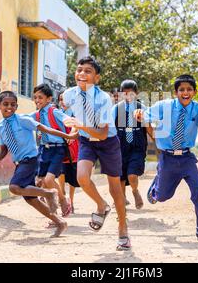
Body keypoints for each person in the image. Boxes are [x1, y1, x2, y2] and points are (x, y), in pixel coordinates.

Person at [134, 74, 198, 243]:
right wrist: (139, 114)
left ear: (195, 92)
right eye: (182, 89)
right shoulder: (164, 106)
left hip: (187, 159)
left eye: (189, 89)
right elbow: (145, 115)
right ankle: (156, 188)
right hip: (167, 159)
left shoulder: (197, 108)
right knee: (163, 197)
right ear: (176, 92)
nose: (185, 92)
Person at [62, 56, 131, 251]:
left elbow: (101, 133)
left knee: (115, 189)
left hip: (107, 143)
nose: (82, 74)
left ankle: (123, 230)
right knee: (82, 177)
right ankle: (101, 206)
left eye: (88, 71)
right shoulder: (70, 94)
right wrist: (74, 132)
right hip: (86, 142)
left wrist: (79, 126)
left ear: (97, 78)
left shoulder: (103, 99)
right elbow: (77, 115)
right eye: (79, 70)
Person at [0, 91, 77, 237]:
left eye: (12, 104)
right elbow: (4, 149)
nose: (9, 107)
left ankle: (49, 193)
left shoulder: (23, 119)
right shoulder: (0, 127)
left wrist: (67, 136)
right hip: (19, 163)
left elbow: (44, 128)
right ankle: (60, 222)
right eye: (5, 104)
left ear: (16, 106)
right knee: (30, 199)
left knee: (14, 187)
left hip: (31, 159)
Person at [30, 84, 73, 220]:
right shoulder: (36, 115)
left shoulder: (54, 112)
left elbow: (69, 121)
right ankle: (53, 215)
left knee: (49, 180)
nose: (37, 100)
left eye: (40, 97)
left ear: (48, 99)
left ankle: (62, 201)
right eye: (35, 97)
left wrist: (71, 133)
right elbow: (23, 119)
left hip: (57, 148)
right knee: (42, 181)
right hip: (43, 149)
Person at [112, 79, 153, 210]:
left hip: (137, 145)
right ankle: (122, 201)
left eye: (131, 94)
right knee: (120, 176)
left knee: (132, 174)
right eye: (125, 93)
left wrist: (159, 144)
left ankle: (135, 191)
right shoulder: (116, 109)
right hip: (120, 145)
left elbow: (149, 128)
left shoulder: (143, 109)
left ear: (137, 94)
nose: (128, 96)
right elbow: (109, 127)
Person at [57, 91, 80, 214]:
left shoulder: (75, 113)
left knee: (72, 176)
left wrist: (70, 136)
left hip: (73, 147)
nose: (63, 102)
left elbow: (75, 127)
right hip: (60, 146)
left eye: (65, 99)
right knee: (61, 172)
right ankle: (63, 196)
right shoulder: (57, 113)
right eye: (60, 99)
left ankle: (71, 200)